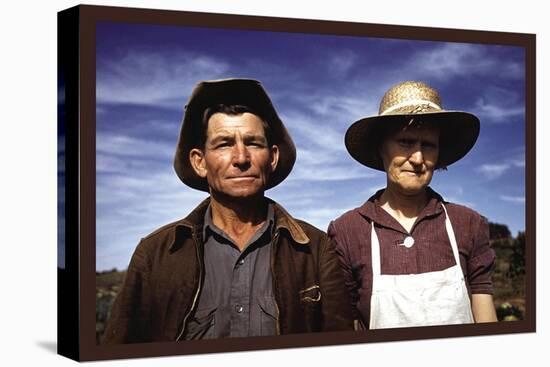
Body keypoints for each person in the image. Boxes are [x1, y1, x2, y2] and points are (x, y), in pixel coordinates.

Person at [102, 78, 353, 343]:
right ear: (200, 162)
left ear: (273, 158)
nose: (241, 158)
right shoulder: (155, 254)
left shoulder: (315, 249)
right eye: (223, 144)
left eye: (253, 143)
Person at [328, 81, 497, 330]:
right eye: (406, 142)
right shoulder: (347, 231)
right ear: (380, 148)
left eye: (428, 145)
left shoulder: (468, 223)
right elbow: (347, 325)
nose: (418, 159)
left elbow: (487, 323)